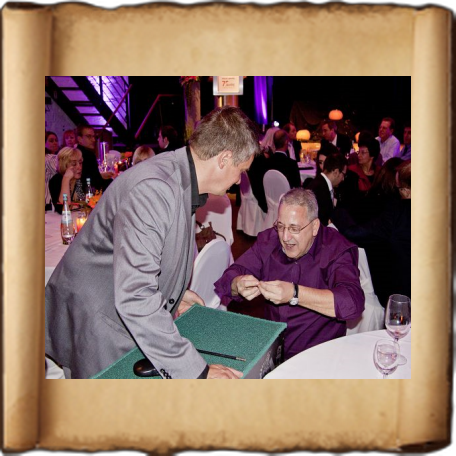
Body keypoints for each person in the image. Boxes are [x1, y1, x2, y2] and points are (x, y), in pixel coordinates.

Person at [45, 106, 260, 379]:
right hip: (95, 317)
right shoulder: (155, 188)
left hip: (110, 306)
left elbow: (149, 256)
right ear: (224, 158)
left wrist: (175, 293)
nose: (238, 180)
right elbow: (135, 295)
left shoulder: (179, 174)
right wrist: (198, 372)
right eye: (241, 170)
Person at [214, 188, 364, 360]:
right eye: (280, 226)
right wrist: (238, 284)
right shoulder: (270, 240)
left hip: (318, 355)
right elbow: (229, 277)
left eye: (294, 228)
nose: (285, 237)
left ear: (314, 227)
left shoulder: (335, 249)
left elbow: (352, 302)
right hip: (272, 348)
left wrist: (295, 294)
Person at [332, 160, 411, 305]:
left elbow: (353, 233)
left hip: (401, 297)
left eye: (399, 189)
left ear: (407, 190)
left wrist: (336, 211)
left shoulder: (398, 211)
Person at [308, 153, 348, 226]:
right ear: (336, 172)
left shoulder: (322, 183)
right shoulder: (319, 190)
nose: (343, 179)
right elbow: (321, 222)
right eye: (343, 174)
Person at [76, 124, 114, 191]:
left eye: (94, 136)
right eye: (89, 136)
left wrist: (101, 176)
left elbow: (90, 177)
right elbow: (96, 183)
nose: (93, 140)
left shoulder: (77, 152)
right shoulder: (87, 155)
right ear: (80, 139)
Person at [48, 147, 85, 214]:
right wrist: (66, 179)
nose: (79, 167)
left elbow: (89, 203)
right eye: (74, 164)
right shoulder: (55, 181)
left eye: (80, 163)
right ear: (64, 165)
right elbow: (63, 209)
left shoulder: (83, 178)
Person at [45, 131, 59, 210]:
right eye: (51, 141)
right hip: (49, 199)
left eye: (56, 140)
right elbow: (62, 171)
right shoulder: (51, 158)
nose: (55, 143)